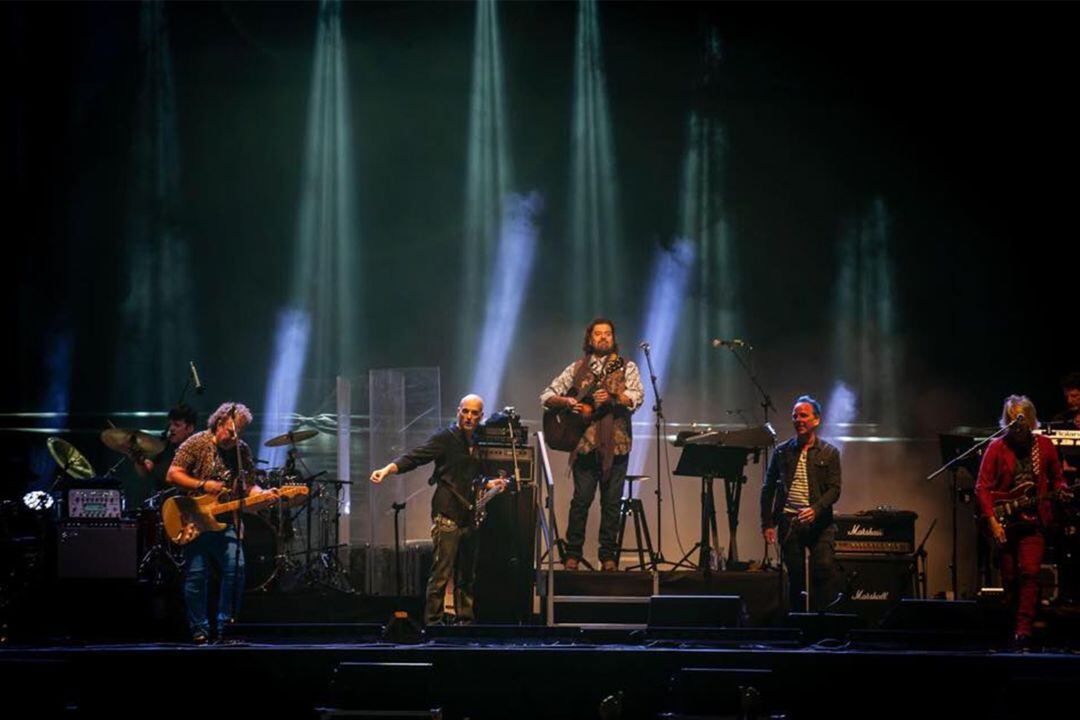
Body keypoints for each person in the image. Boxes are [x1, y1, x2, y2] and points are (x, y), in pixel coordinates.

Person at [370, 394, 508, 625]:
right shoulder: (446, 438)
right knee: (442, 573)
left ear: (481, 416)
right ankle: (433, 623)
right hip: (447, 512)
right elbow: (416, 457)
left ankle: (465, 622)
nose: (469, 417)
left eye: (474, 413)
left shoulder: (477, 442)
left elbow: (472, 477)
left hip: (470, 514)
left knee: (467, 575)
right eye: (465, 411)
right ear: (458, 411)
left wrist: (490, 483)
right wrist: (387, 469)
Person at [540, 319, 644, 571]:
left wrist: (614, 397)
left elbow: (637, 396)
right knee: (581, 501)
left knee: (611, 504)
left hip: (617, 445)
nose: (603, 338)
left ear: (613, 338)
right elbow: (546, 396)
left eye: (608, 334)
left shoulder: (626, 366)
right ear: (590, 339)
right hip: (585, 445)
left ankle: (608, 557)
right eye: (598, 334)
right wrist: (567, 402)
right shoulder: (577, 368)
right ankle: (572, 555)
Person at [167, 402, 272, 643]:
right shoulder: (196, 442)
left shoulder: (241, 450)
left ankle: (226, 627)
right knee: (196, 576)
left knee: (237, 570)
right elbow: (172, 474)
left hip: (226, 520)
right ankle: (199, 630)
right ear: (219, 423)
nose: (234, 438)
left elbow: (248, 487)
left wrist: (264, 493)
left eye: (240, 433)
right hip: (195, 519)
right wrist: (203, 485)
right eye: (231, 431)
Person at [975, 395, 1070, 646]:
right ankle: (1012, 623)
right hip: (1005, 520)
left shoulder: (1044, 446)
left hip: (1033, 520)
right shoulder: (996, 447)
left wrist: (1061, 489)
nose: (1018, 427)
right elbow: (982, 487)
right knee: (1009, 578)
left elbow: (1058, 478)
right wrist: (993, 521)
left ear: (1030, 421)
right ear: (1007, 422)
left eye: (1022, 421)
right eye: (1013, 421)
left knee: (1029, 572)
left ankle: (1023, 629)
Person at [760, 395, 842, 612]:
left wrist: (815, 509)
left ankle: (823, 623)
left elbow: (835, 489)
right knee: (795, 576)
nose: (798, 419)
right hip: (790, 522)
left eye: (803, 415)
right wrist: (767, 523)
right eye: (794, 416)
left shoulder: (830, 452)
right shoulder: (782, 452)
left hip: (820, 523)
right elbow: (767, 488)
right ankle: (797, 625)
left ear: (816, 420)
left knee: (822, 569)